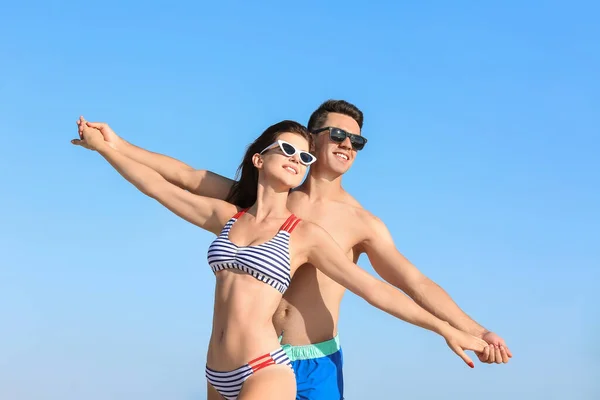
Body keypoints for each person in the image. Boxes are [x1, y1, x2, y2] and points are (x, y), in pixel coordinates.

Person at [73, 101, 510, 400]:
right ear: (310, 139)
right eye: (338, 134)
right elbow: (185, 178)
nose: (347, 145)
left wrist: (471, 329)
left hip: (313, 360)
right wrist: (115, 145)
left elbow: (407, 283)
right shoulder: (261, 200)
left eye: (357, 142)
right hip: (235, 356)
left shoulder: (360, 223)